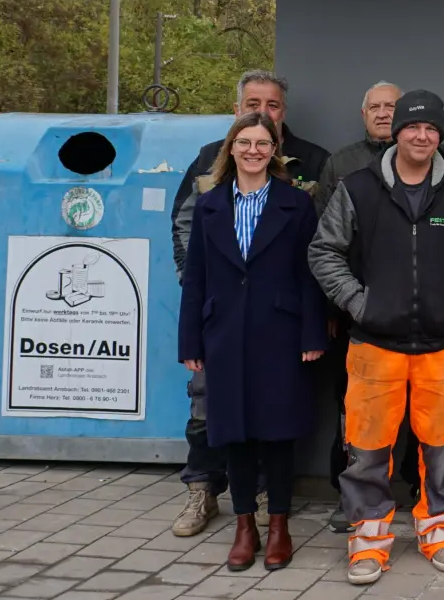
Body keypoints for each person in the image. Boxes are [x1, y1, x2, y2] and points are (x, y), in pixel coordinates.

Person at [309, 89, 444, 587]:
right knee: (368, 448)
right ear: (396, 132)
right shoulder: (359, 187)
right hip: (374, 345)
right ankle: (368, 541)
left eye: (431, 129)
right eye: (413, 127)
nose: (422, 136)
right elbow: (324, 251)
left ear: (440, 136)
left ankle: (438, 531)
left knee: (440, 448)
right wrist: (359, 304)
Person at [170, 70, 330, 539]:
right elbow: (194, 267)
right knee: (223, 423)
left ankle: (274, 517)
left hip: (277, 329)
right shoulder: (209, 197)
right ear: (232, 142)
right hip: (222, 329)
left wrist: (313, 331)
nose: (254, 150)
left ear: (274, 146)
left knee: (276, 425)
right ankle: (227, 511)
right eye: (245, 142)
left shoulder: (299, 194)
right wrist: (193, 334)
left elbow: (310, 271)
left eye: (263, 142)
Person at [312, 81, 422, 534]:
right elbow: (321, 239)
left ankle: (420, 491)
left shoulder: (438, 161)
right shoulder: (341, 164)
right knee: (355, 410)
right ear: (363, 115)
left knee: (421, 410)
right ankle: (351, 497)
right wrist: (337, 306)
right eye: (374, 107)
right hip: (357, 314)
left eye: (390, 106)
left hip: (422, 316)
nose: (382, 113)